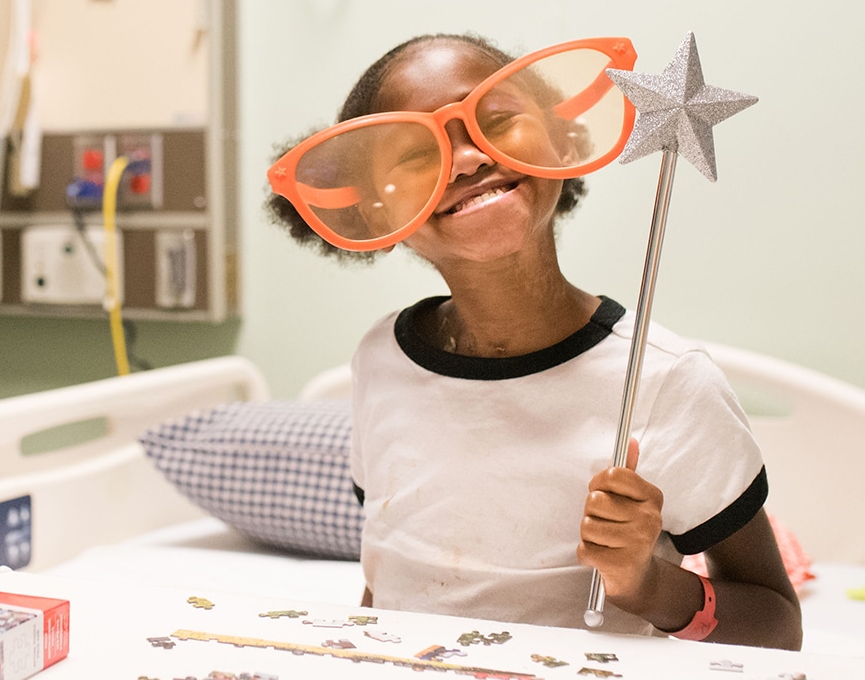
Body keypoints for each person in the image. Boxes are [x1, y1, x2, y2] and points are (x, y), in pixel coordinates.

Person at [265, 33, 802, 649]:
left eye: (496, 121)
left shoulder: (664, 381)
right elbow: (389, 572)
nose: (466, 159)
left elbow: (777, 626)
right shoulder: (381, 358)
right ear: (371, 217)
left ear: (564, 139)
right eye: (416, 154)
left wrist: (647, 586)